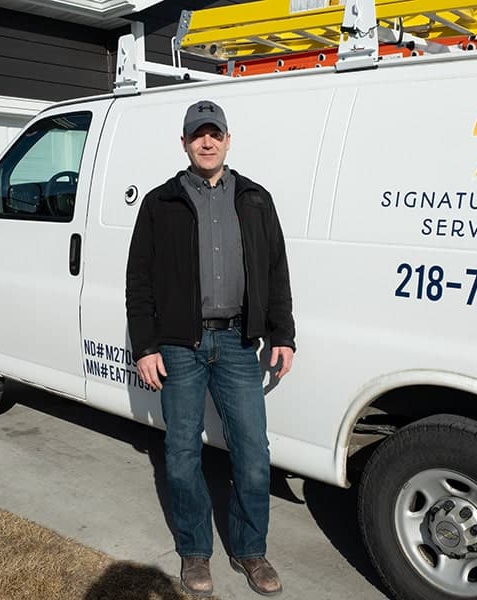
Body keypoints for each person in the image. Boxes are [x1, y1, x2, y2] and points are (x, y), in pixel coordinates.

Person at [126, 99, 295, 597]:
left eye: (214, 133)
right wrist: (145, 346)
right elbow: (139, 281)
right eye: (197, 134)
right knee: (181, 454)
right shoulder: (161, 203)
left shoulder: (256, 199)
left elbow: (276, 271)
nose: (207, 141)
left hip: (241, 343)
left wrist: (282, 333)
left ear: (226, 139)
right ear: (184, 143)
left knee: (253, 454)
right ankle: (195, 552)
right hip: (180, 345)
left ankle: (250, 550)